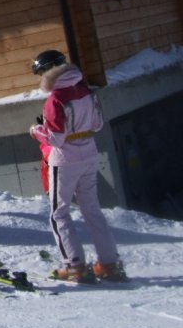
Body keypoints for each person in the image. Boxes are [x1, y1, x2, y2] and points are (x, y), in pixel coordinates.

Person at [28, 50, 126, 282]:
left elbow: (56, 139)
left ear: (47, 71)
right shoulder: (86, 91)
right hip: (89, 153)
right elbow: (98, 123)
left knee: (58, 213)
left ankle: (73, 265)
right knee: (91, 209)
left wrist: (35, 130)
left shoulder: (55, 100)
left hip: (64, 159)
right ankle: (108, 263)